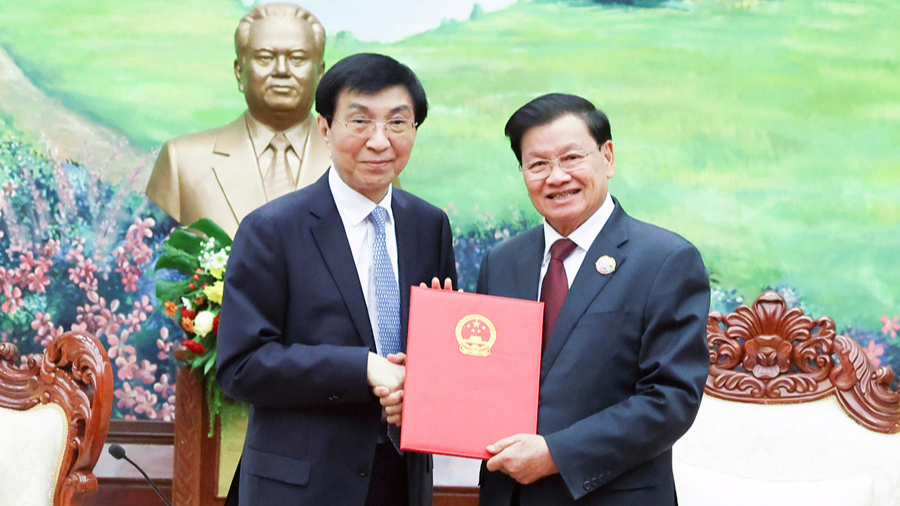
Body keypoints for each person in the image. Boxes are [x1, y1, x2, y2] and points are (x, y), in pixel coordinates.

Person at [216, 53, 457, 506]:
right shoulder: (271, 230)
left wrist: (428, 382)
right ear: (325, 128)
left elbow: (437, 359)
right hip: (302, 486)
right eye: (360, 121)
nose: (380, 141)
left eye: (398, 123)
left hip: (401, 481)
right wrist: (362, 367)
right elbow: (241, 366)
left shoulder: (430, 226)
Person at [476, 93, 710, 505]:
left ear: (608, 157)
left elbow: (670, 399)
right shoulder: (502, 261)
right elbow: (485, 377)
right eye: (539, 164)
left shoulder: (665, 260)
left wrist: (556, 456)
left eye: (571, 158)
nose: (556, 176)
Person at [146, 3, 330, 237]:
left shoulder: (364, 163)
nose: (282, 70)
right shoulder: (182, 161)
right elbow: (149, 261)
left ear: (320, 73)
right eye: (265, 57)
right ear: (239, 71)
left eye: (297, 58)